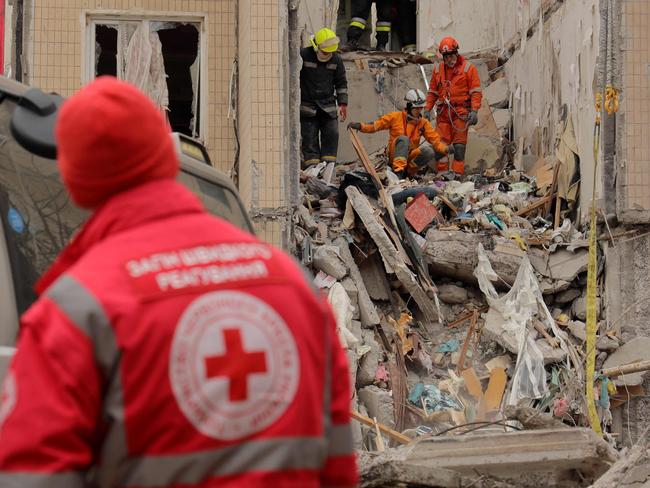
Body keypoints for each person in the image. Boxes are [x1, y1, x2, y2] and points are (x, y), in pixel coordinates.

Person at [0, 77, 357, 487]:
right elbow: (338, 463)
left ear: (76, 180)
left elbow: (32, 476)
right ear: (164, 160)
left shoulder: (78, 307)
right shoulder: (291, 282)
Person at [348, 88, 452, 179]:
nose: (419, 110)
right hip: (394, 155)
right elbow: (375, 125)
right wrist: (360, 126)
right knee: (403, 139)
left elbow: (435, 140)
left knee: (428, 151)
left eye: (421, 108)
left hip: (409, 156)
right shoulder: (395, 117)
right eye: (416, 108)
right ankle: (398, 172)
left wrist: (445, 149)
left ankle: (408, 173)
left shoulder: (423, 123)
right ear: (409, 106)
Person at [424, 36, 483, 175]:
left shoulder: (468, 68)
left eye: (451, 56)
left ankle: (457, 176)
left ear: (456, 53)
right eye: (446, 57)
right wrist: (427, 109)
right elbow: (432, 91)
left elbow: (475, 92)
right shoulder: (438, 70)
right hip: (444, 112)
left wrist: (474, 111)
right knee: (441, 147)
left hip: (461, 112)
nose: (449, 60)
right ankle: (443, 176)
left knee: (459, 147)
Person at [300, 28, 348, 168]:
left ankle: (328, 169)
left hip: (328, 105)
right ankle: (313, 170)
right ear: (316, 46)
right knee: (309, 139)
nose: (327, 55)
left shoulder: (336, 59)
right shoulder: (303, 55)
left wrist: (343, 103)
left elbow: (341, 83)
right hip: (307, 105)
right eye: (325, 52)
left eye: (329, 52)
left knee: (332, 134)